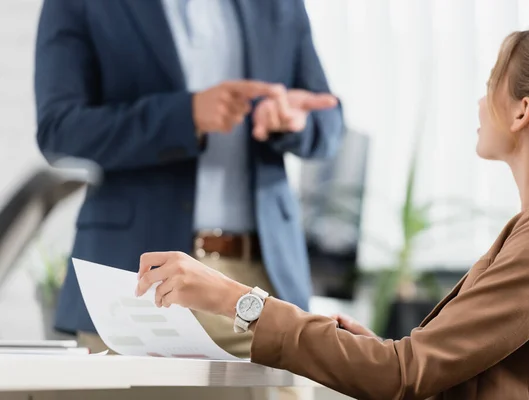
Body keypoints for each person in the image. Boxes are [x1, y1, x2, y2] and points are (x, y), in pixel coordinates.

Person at [136, 16, 529, 400]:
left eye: (490, 84)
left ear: (522, 112)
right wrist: (372, 351)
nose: (480, 101)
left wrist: (234, 300)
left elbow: (401, 376)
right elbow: (431, 371)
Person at [35, 0, 341, 359]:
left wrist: (295, 121)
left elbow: (327, 120)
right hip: (137, 283)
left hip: (264, 283)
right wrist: (185, 115)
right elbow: (59, 129)